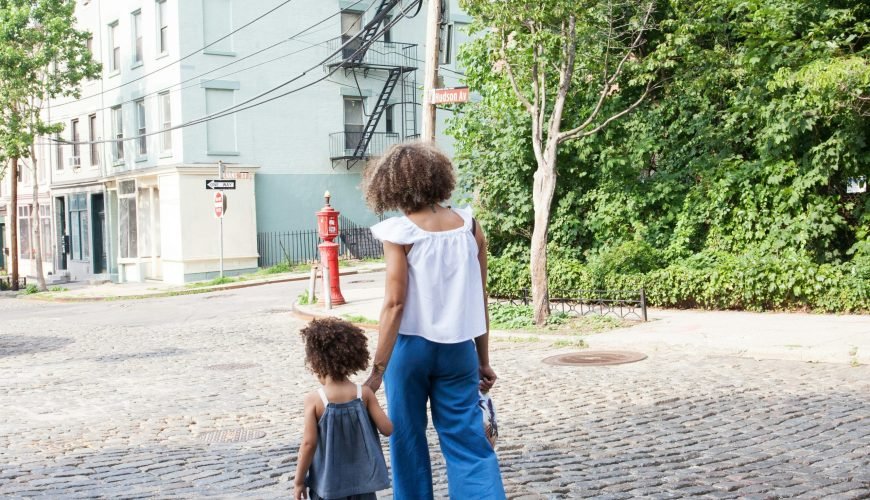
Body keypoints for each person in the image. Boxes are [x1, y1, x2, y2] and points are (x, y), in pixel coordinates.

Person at [362, 141, 506, 499]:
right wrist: (483, 360)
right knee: (469, 441)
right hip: (459, 350)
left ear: (390, 186)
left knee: (407, 440)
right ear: (437, 178)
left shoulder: (400, 232)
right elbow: (479, 296)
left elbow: (394, 304)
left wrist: (377, 372)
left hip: (409, 350)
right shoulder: (469, 226)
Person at [293, 318, 393, 500]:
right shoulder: (365, 394)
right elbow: (387, 429)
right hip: (363, 485)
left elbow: (308, 444)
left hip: (328, 487)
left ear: (316, 363)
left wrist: (299, 480)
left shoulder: (314, 400)